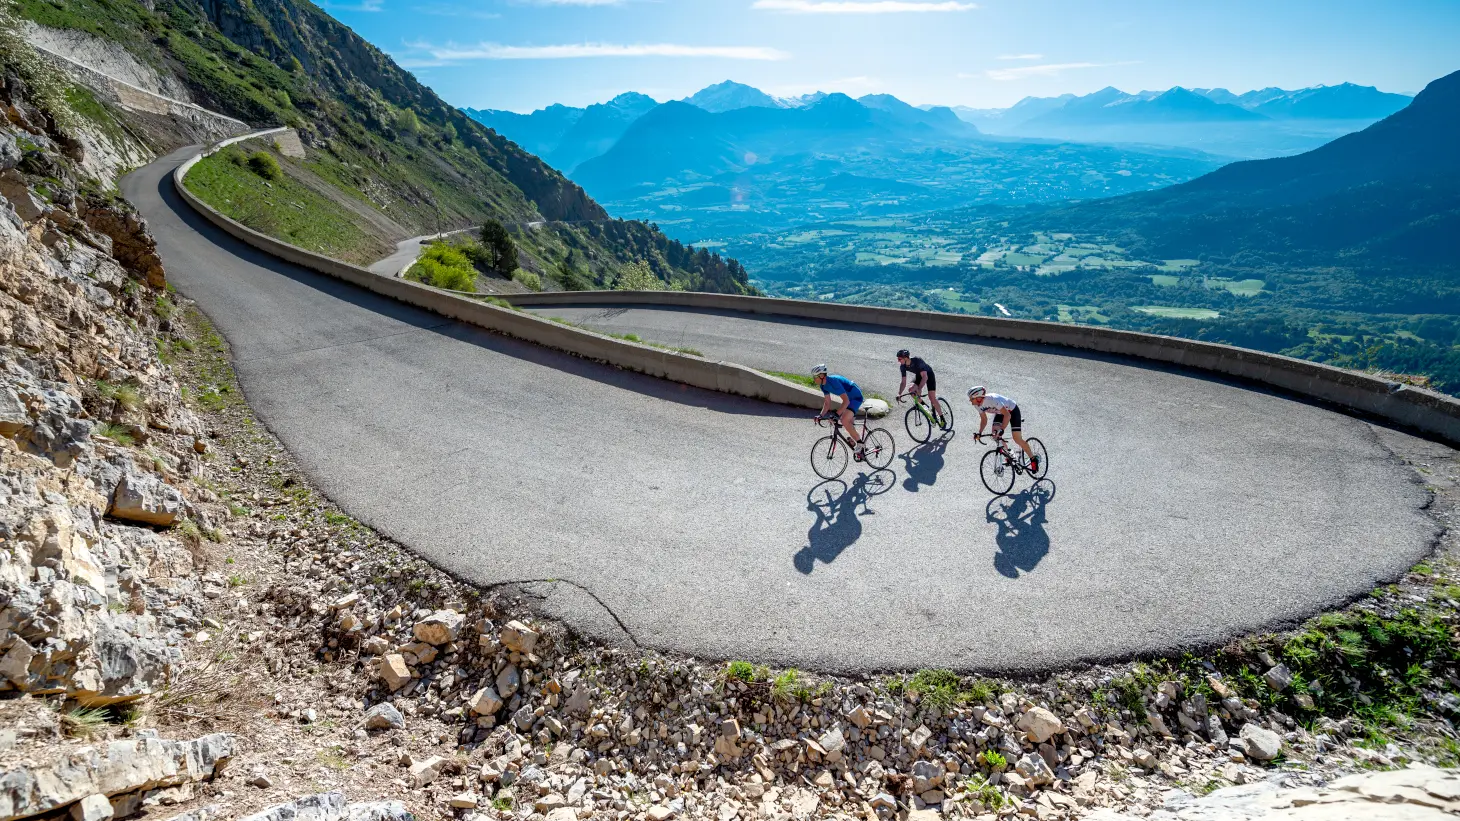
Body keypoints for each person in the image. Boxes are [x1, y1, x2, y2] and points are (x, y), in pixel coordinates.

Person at [968, 386, 1038, 473]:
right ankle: (1009, 454)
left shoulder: (992, 399)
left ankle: (1033, 459)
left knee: (1017, 438)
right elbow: (984, 419)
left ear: (978, 397)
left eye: (971, 399)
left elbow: (1008, 415)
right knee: (995, 435)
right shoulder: (977, 405)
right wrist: (979, 432)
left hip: (1012, 410)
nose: (970, 402)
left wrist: (1002, 429)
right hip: (1000, 412)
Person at [812, 364, 866, 459]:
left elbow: (846, 401)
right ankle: (856, 442)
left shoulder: (833, 382)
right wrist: (820, 415)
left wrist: (836, 415)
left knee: (844, 420)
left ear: (821, 376)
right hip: (849, 398)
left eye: (815, 377)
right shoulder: (823, 385)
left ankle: (861, 444)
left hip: (855, 397)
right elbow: (827, 402)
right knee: (848, 424)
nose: (813, 379)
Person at [895, 349, 943, 427]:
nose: (898, 361)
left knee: (932, 398)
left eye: (899, 359)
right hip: (919, 375)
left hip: (928, 375)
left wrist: (919, 388)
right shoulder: (902, 366)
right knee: (911, 390)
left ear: (906, 358)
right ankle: (927, 408)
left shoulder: (917, 360)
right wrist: (899, 393)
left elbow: (925, 377)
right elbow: (903, 382)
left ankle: (942, 418)